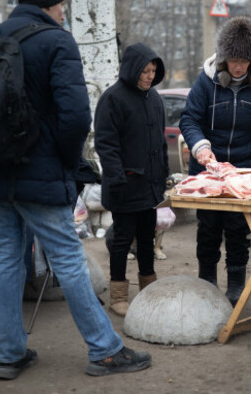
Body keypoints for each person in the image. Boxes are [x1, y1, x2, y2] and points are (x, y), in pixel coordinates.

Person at [0, 0, 151, 380]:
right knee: (68, 259)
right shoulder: (57, 41)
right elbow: (76, 117)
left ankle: (10, 353)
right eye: (62, 5)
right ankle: (105, 350)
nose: (64, 12)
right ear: (50, 4)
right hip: (41, 177)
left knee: (9, 260)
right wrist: (66, 167)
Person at [179, 15, 251, 306]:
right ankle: (206, 281)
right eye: (233, 59)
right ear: (224, 58)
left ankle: (236, 284)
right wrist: (200, 147)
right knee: (208, 227)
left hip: (244, 171)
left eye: (244, 61)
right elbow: (190, 118)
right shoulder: (206, 81)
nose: (238, 66)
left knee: (238, 228)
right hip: (207, 168)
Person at [94, 43, 168, 317]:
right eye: (145, 70)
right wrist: (117, 177)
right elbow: (105, 143)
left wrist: (162, 177)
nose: (149, 76)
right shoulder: (113, 98)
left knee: (148, 237)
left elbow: (159, 142)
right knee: (122, 239)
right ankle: (118, 296)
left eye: (153, 71)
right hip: (125, 186)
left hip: (150, 186)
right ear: (132, 68)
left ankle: (148, 289)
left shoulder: (155, 98)